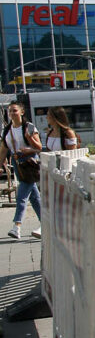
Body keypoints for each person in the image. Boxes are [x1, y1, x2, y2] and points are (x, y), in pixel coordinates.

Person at [1, 102, 42, 239]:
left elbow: (39, 147)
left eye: (14, 111)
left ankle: (16, 226)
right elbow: (3, 150)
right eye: (10, 111)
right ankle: (45, 224)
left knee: (21, 196)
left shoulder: (29, 127)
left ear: (22, 112)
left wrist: (28, 143)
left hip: (30, 163)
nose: (12, 113)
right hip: (17, 163)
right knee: (35, 198)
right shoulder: (7, 130)